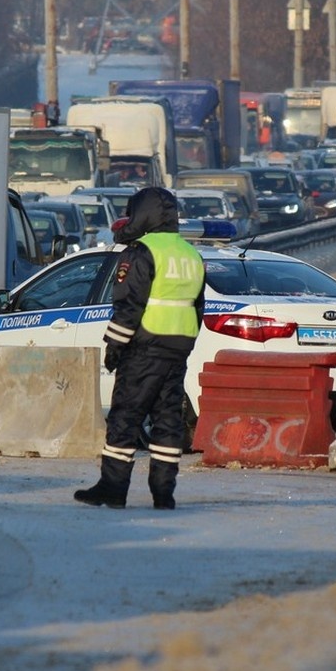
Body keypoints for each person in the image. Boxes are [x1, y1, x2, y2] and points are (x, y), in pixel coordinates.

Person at [73, 186, 205, 510]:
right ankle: (164, 493)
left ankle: (112, 488)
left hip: (144, 347)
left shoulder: (141, 252)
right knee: (167, 421)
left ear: (143, 215)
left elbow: (129, 306)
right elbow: (198, 307)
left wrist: (115, 346)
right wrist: (184, 342)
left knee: (125, 418)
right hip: (178, 349)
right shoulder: (191, 254)